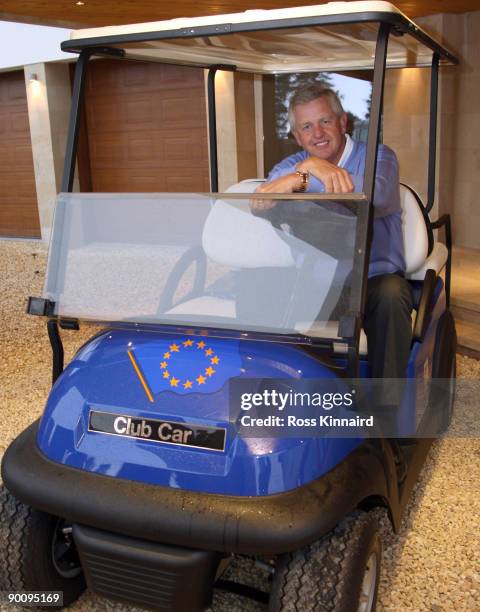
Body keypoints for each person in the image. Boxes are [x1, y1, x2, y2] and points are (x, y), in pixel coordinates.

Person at [255, 84, 413, 382]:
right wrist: (309, 168)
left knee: (393, 295)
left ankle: (385, 412)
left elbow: (374, 195)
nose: (317, 133)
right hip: (320, 283)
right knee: (258, 287)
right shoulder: (293, 165)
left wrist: (303, 177)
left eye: (325, 121)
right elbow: (261, 198)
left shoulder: (379, 157)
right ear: (298, 136)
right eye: (306, 126)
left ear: (343, 122)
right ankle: (272, 390)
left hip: (372, 282)